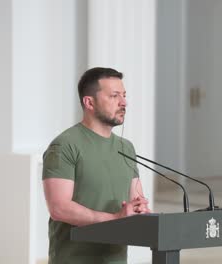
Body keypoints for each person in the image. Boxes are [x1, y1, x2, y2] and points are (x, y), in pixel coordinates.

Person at [42, 67, 151, 264]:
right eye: (114, 96)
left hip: (115, 259)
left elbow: (136, 200)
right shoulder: (64, 145)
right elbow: (59, 208)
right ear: (89, 102)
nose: (124, 102)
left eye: (124, 95)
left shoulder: (126, 147)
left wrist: (140, 209)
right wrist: (115, 218)